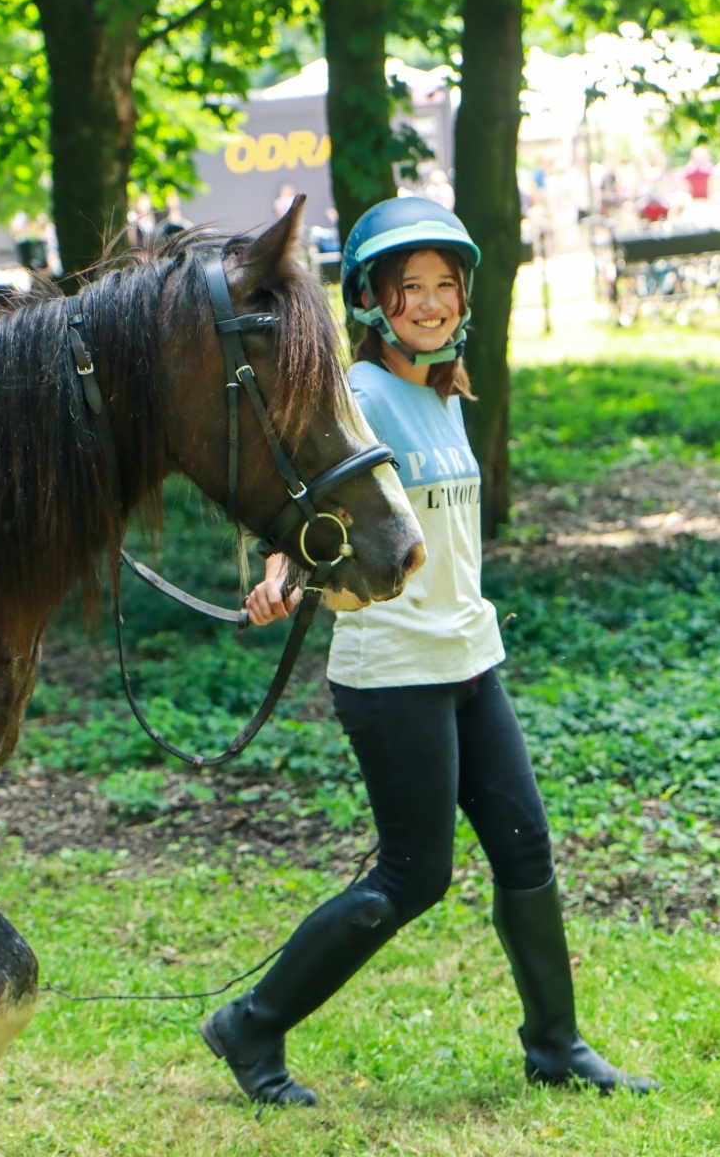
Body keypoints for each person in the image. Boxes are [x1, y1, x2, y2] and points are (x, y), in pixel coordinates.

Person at [200, 196, 657, 1107]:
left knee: (524, 849)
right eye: (408, 287)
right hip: (393, 671)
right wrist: (282, 569)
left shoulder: (443, 392)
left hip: (466, 657)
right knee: (413, 876)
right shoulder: (359, 395)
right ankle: (249, 1023)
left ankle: (555, 1046)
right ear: (370, 298)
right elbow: (312, 492)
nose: (430, 303)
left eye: (443, 286)